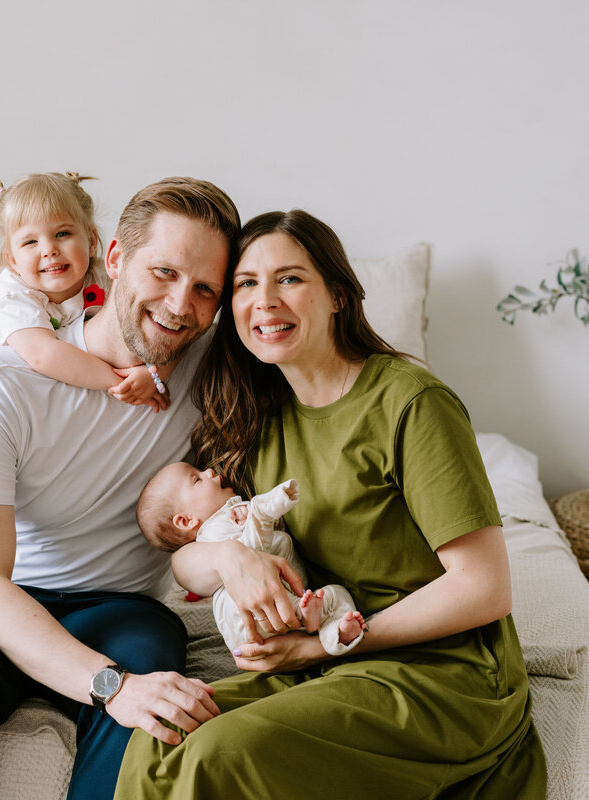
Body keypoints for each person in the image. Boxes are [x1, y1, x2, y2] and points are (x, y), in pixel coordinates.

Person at [115, 209, 548, 799]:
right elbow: (187, 558)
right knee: (163, 732)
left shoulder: (410, 402)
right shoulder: (254, 416)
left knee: (221, 753)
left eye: (290, 279)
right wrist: (227, 562)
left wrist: (330, 643)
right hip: (326, 658)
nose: (265, 300)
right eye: (246, 284)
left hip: (440, 670)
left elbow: (485, 587)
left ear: (339, 296)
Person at [0, 177, 242, 800]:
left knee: (157, 669)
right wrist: (111, 687)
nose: (181, 305)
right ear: (114, 259)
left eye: (205, 288)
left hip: (116, 602)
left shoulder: (214, 370)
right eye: (163, 272)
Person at [0, 172, 171, 578]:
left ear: (92, 241)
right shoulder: (12, 295)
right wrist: (119, 380)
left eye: (62, 234)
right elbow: (44, 355)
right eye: (30, 242)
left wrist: (153, 368)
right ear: (11, 260)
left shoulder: (101, 281)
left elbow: (137, 327)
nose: (49, 251)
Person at [136, 463, 366, 656]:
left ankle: (333, 631)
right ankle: (304, 613)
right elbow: (252, 556)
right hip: (249, 620)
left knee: (335, 593)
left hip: (276, 611)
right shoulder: (214, 533)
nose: (209, 471)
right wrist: (261, 513)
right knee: (317, 597)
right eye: (197, 479)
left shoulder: (235, 513)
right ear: (186, 521)